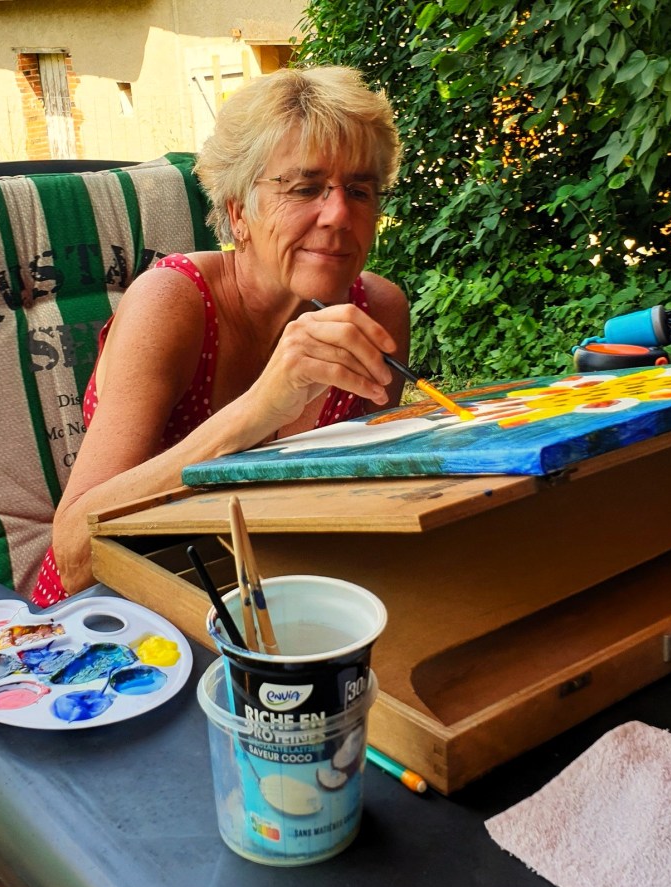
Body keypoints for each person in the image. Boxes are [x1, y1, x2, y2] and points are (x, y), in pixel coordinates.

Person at [30, 66, 409, 607]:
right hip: (118, 616)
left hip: (279, 595)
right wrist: (259, 409)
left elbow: (359, 506)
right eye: (305, 188)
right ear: (238, 213)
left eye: (360, 190)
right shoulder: (172, 303)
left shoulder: (379, 311)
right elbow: (74, 555)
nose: (340, 214)